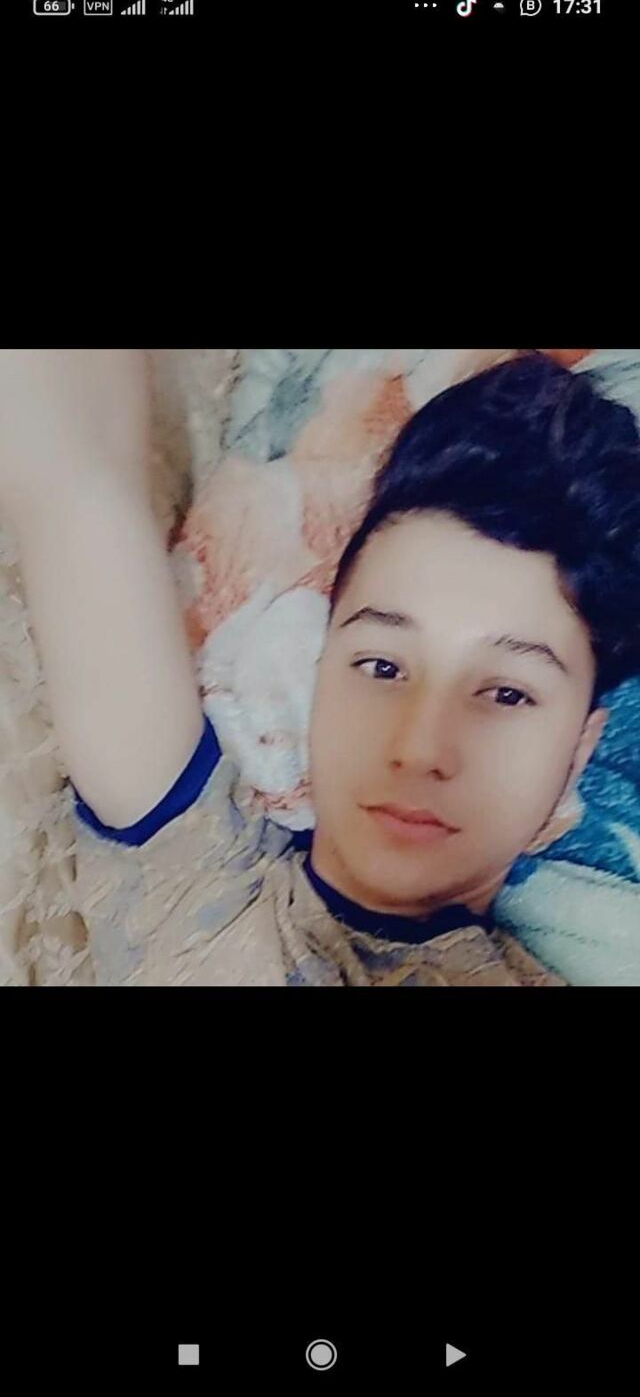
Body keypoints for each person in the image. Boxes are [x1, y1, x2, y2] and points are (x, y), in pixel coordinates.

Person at [1, 350, 638, 986]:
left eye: (506, 694)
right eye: (382, 667)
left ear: (578, 753)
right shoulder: (197, 882)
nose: (419, 749)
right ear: (320, 670)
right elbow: (72, 476)